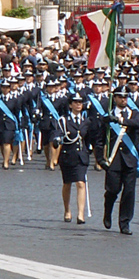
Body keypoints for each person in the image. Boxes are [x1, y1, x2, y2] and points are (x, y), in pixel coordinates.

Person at [97, 87, 139, 235]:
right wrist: (100, 159)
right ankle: (108, 211)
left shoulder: (134, 114)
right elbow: (99, 141)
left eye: (126, 97)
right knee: (112, 190)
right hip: (114, 160)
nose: (124, 100)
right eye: (120, 97)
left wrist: (120, 120)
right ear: (115, 99)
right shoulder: (107, 117)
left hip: (130, 160)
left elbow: (138, 125)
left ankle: (125, 223)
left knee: (129, 192)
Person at [54, 92, 92, 223]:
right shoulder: (63, 121)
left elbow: (88, 138)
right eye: (75, 102)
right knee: (67, 184)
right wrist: (56, 139)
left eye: (80, 102)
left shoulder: (86, 121)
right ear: (70, 105)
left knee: (81, 183)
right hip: (68, 155)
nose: (78, 105)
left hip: (81, 156)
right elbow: (58, 133)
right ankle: (67, 210)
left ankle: (81, 214)